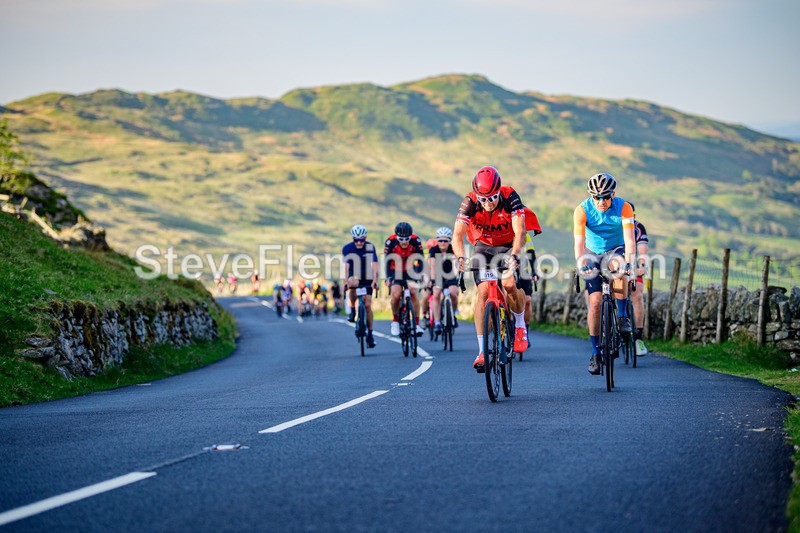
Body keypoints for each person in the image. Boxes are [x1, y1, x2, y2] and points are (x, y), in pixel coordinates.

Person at [452, 166, 540, 372]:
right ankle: (482, 351)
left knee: (509, 284)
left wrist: (515, 255)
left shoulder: (510, 197)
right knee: (483, 293)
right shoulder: (470, 202)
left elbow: (520, 232)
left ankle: (519, 327)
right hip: (483, 247)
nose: (488, 203)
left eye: (492, 198)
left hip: (508, 245)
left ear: (499, 191)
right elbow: (457, 235)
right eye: (483, 199)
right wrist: (460, 258)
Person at [573, 172, 636, 375]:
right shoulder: (582, 210)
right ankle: (594, 352)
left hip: (616, 249)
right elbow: (579, 243)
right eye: (596, 197)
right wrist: (581, 263)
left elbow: (629, 240)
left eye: (605, 197)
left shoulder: (624, 207)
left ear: (613, 195)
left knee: (619, 268)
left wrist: (630, 263)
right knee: (595, 302)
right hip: (592, 252)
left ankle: (623, 316)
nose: (601, 201)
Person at [385, 222, 425, 337]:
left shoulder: (416, 240)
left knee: (413, 292)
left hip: (410, 270)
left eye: (407, 239)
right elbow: (387, 261)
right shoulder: (390, 241)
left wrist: (420, 274)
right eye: (401, 239)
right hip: (395, 271)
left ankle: (417, 324)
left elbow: (421, 259)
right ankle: (395, 321)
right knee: (396, 294)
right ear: (396, 236)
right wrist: (388, 277)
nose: (404, 242)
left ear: (411, 236)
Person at [342, 224, 379, 348]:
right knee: (353, 283)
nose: (359, 243)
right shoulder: (347, 248)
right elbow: (346, 268)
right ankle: (353, 309)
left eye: (361, 240)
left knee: (368, 305)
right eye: (356, 240)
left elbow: (374, 265)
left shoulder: (370, 247)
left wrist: (375, 280)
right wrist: (345, 282)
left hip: (367, 276)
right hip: (354, 275)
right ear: (353, 239)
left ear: (365, 238)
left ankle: (370, 334)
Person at [428, 226, 460, 335]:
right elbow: (432, 266)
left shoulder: (453, 249)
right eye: (440, 240)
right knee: (436, 294)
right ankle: (437, 322)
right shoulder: (433, 250)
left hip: (451, 276)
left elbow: (456, 264)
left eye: (445, 240)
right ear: (437, 241)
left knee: (454, 293)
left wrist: (458, 275)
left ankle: (454, 313)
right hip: (437, 277)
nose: (442, 243)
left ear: (449, 241)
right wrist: (432, 280)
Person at [631, 216, 650, 356]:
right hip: (614, 266)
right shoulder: (611, 225)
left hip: (633, 268)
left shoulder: (638, 228)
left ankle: (638, 337)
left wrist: (642, 266)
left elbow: (642, 252)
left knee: (637, 296)